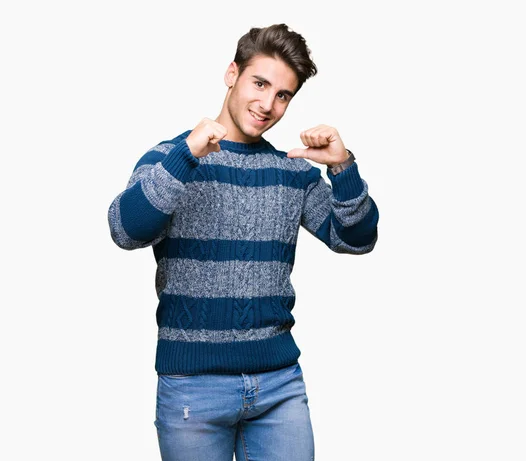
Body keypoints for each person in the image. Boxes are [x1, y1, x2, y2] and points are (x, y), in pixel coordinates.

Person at [107, 23, 379, 461]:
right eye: (260, 83)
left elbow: (356, 239)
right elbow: (124, 230)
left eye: (283, 95)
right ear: (231, 74)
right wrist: (186, 157)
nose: (268, 105)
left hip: (278, 386)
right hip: (193, 387)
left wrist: (343, 168)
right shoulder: (171, 159)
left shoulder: (293, 172)